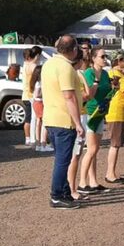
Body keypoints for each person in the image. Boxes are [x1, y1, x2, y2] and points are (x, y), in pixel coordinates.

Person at [41, 35, 85, 210]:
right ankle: (57, 195)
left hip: (51, 118)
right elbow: (69, 97)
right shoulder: (65, 67)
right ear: (73, 49)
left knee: (62, 158)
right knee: (62, 160)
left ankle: (65, 192)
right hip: (64, 120)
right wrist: (78, 123)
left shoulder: (48, 64)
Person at [78, 46, 112, 195]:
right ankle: (82, 182)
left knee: (95, 149)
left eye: (105, 56)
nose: (105, 59)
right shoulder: (89, 73)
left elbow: (108, 91)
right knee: (91, 149)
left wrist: (114, 88)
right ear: (93, 58)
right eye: (102, 56)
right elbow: (89, 94)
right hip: (90, 112)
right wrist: (96, 81)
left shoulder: (105, 73)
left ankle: (93, 182)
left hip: (100, 112)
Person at [105, 51, 124, 184]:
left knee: (118, 144)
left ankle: (112, 172)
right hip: (116, 111)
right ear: (119, 60)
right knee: (115, 143)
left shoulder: (122, 73)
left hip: (122, 112)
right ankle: (110, 173)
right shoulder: (114, 73)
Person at [67, 49, 93, 201]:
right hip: (78, 115)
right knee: (75, 155)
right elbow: (86, 95)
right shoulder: (75, 75)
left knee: (76, 154)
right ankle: (72, 189)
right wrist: (83, 77)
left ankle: (72, 188)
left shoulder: (74, 74)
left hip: (81, 114)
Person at [21, 46, 42, 146]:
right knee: (34, 118)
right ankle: (34, 139)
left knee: (29, 118)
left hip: (26, 94)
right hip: (32, 95)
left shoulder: (26, 65)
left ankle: (29, 138)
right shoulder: (34, 66)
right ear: (37, 55)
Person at [29, 65, 51, 152]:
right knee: (44, 123)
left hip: (36, 103)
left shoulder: (35, 82)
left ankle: (38, 144)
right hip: (40, 102)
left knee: (38, 123)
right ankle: (43, 144)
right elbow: (37, 94)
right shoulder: (40, 83)